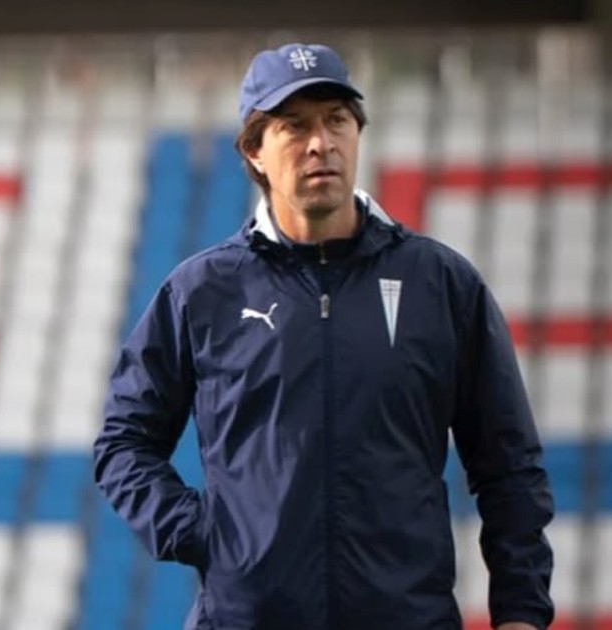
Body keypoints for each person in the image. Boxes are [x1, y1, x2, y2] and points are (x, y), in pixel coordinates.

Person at [93, 42, 554, 630]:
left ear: (357, 133)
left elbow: (508, 464)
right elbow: (123, 443)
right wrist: (203, 533)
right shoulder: (202, 292)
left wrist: (521, 612)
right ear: (254, 151)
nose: (321, 143)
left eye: (337, 120)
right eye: (295, 125)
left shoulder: (440, 283)